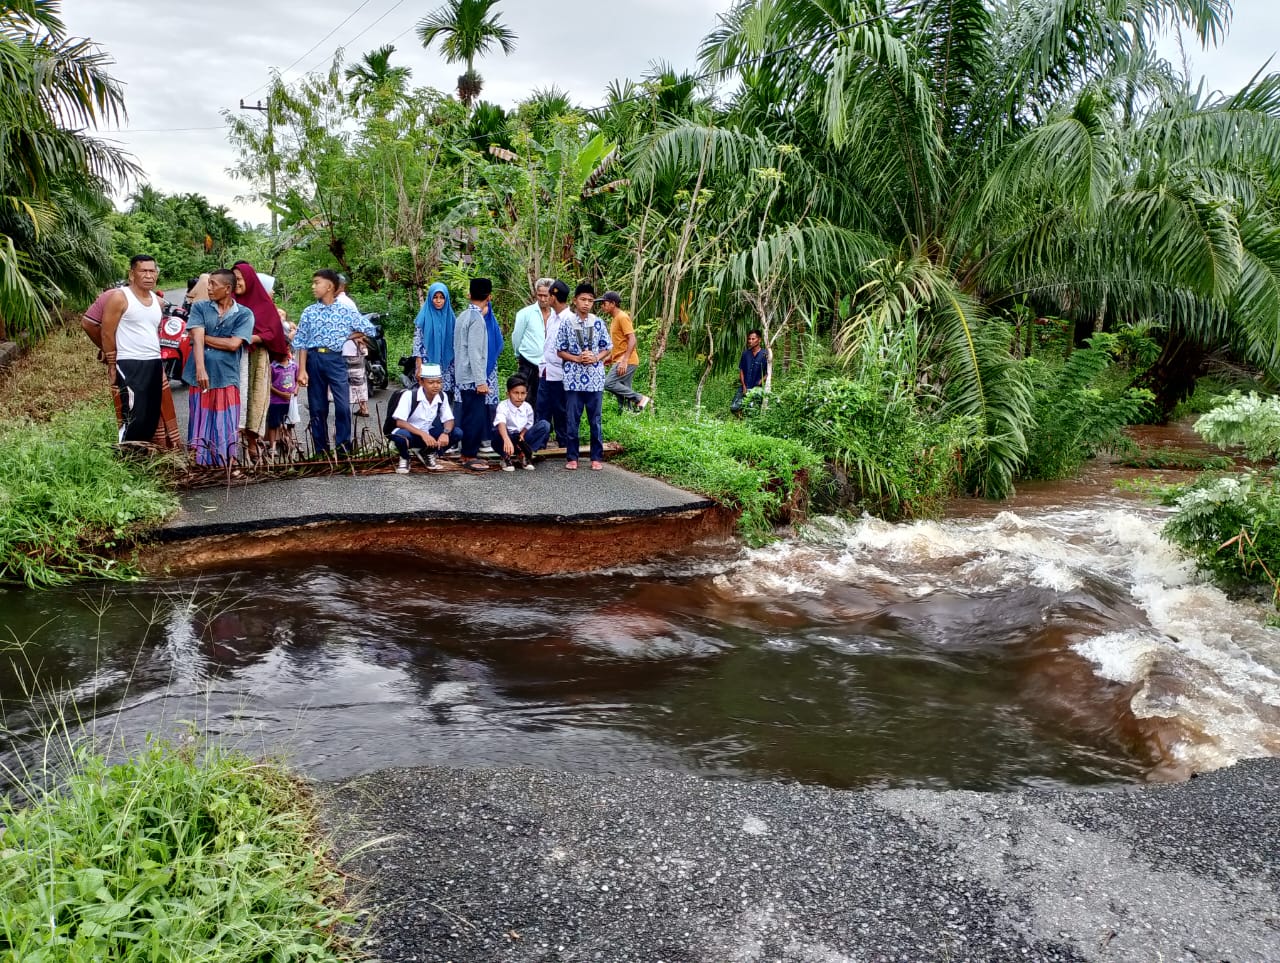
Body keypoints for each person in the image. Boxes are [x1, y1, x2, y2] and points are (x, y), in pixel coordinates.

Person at [294, 268, 376, 454]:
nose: (313, 286)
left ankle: (343, 448)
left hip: (335, 359)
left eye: (317, 283)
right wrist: (302, 370)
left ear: (329, 286)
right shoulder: (309, 312)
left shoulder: (345, 310)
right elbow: (302, 342)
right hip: (314, 359)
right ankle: (320, 451)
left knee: (342, 405)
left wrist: (346, 336)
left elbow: (369, 329)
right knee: (317, 407)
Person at [183, 269, 255, 466]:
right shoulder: (200, 307)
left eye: (214, 284)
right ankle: (200, 462)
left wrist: (202, 336)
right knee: (201, 417)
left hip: (227, 376)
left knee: (226, 421)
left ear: (228, 288)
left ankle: (226, 462)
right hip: (200, 376)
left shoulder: (244, 314)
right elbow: (196, 340)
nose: (209, 287)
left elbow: (234, 344)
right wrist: (200, 368)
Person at [98, 254, 169, 444]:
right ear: (132, 274)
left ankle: (141, 459)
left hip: (153, 362)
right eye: (143, 271)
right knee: (134, 412)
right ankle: (125, 458)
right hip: (129, 362)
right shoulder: (120, 298)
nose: (149, 275)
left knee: (151, 414)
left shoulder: (157, 301)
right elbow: (106, 332)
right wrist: (112, 365)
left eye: (152, 271)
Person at [231, 262, 289, 458]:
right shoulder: (228, 302)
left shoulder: (264, 304)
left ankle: (252, 441)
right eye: (233, 279)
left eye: (239, 279)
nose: (236, 283)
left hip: (256, 357)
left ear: (249, 280)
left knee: (256, 398)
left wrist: (249, 338)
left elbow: (273, 332)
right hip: (232, 356)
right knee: (234, 397)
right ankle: (231, 439)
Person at [556, 282, 612, 471]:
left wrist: (596, 357)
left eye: (590, 300)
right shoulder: (566, 322)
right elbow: (560, 350)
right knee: (572, 419)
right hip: (573, 379)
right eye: (583, 299)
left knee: (595, 420)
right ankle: (572, 457)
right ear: (575, 300)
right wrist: (577, 358)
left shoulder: (598, 322)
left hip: (595, 379)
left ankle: (596, 457)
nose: (586, 303)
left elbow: (608, 348)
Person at [453, 278, 493, 472]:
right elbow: (475, 352)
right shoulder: (477, 320)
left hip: (462, 374)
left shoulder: (462, 316)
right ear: (489, 297)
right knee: (474, 417)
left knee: (469, 414)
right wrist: (481, 381)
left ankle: (466, 453)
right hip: (472, 377)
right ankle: (469, 454)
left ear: (470, 294)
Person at [390, 363, 459, 473]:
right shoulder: (409, 396)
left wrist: (445, 433)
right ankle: (404, 457)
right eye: (431, 383)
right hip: (411, 435)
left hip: (428, 436)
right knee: (400, 436)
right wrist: (423, 434)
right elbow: (400, 422)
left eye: (439, 382)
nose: (436, 386)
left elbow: (449, 419)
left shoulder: (442, 396)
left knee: (457, 433)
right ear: (421, 382)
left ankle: (428, 453)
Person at [596, 291, 650, 411]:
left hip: (627, 360)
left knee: (609, 383)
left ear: (612, 304)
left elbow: (632, 339)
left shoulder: (622, 317)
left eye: (604, 303)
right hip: (621, 359)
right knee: (623, 392)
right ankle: (626, 415)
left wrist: (624, 361)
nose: (602, 306)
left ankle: (640, 398)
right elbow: (620, 342)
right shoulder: (615, 319)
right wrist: (611, 357)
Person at [510, 278, 553, 411]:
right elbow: (517, 336)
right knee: (526, 397)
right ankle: (526, 428)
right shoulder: (525, 313)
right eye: (540, 295)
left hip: (550, 365)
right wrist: (518, 354)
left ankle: (544, 428)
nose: (543, 299)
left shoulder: (557, 315)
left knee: (547, 398)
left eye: (546, 295)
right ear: (536, 294)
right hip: (529, 362)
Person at [537, 279, 571, 447]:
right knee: (542, 408)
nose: (546, 299)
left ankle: (564, 445)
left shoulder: (569, 320)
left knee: (561, 411)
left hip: (561, 373)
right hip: (546, 371)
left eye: (548, 295)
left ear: (553, 297)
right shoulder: (552, 318)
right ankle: (539, 443)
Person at [493, 374, 550, 471]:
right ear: (508, 394)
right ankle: (505, 457)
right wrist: (506, 439)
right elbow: (501, 422)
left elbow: (528, 424)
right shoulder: (503, 406)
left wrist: (523, 434)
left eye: (523, 393)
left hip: (520, 439)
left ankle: (524, 454)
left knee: (544, 425)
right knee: (496, 430)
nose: (519, 397)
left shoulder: (527, 407)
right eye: (516, 393)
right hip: (507, 439)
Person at [412, 282, 456, 397]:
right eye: (435, 297)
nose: (438, 301)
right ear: (430, 298)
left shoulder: (451, 317)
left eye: (442, 298)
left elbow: (455, 343)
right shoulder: (423, 317)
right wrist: (419, 366)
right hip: (428, 364)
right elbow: (417, 343)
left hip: (447, 366)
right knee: (428, 396)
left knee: (444, 398)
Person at [479, 300, 504, 453]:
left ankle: (489, 438)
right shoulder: (471, 323)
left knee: (491, 405)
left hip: (490, 371)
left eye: (486, 306)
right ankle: (478, 438)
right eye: (481, 307)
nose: (483, 310)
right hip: (474, 370)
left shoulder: (492, 324)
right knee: (477, 406)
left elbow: (498, 344)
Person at [268, 342, 299, 456]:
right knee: (273, 424)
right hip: (276, 401)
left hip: (290, 401)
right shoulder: (272, 367)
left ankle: (288, 442)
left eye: (287, 350)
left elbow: (297, 381)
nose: (285, 353)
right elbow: (269, 384)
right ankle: (272, 447)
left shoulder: (294, 366)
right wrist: (280, 393)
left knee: (290, 424)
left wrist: (296, 390)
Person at [731, 329, 771, 417]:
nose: (750, 341)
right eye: (749, 339)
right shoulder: (745, 354)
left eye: (753, 339)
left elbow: (769, 372)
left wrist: (760, 382)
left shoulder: (765, 354)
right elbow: (741, 370)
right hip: (745, 386)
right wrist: (744, 386)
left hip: (757, 388)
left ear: (759, 340)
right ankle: (741, 421)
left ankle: (747, 426)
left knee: (752, 410)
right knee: (734, 408)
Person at [343, 332, 370, 417]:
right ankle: (364, 408)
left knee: (345, 384)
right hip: (358, 360)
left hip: (346, 357)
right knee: (360, 384)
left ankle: (345, 409)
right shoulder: (360, 332)